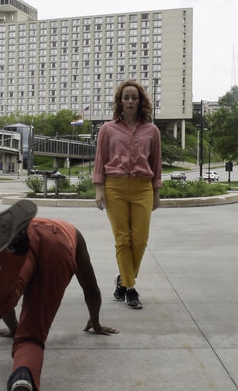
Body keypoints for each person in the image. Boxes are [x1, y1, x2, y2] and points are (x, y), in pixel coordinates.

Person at [0, 199, 118, 391]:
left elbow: (9, 305)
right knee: (31, 335)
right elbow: (91, 289)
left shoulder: (35, 225)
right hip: (59, 247)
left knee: (0, 300)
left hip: (30, 232)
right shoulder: (74, 233)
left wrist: (14, 328)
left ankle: (13, 251)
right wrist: (95, 321)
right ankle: (23, 375)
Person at [92, 79, 162, 310]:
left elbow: (156, 163)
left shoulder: (152, 131)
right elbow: (101, 160)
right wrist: (99, 190)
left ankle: (122, 280)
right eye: (126, 97)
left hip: (143, 188)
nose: (130, 101)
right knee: (123, 239)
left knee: (140, 240)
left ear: (140, 101)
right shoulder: (108, 129)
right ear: (120, 102)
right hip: (115, 187)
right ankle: (130, 289)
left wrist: (157, 192)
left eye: (134, 97)